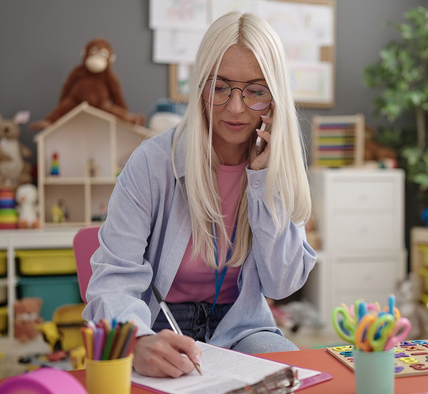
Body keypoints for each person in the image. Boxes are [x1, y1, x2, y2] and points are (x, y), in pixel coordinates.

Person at [82, 11, 317, 378]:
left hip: (242, 327)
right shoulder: (153, 162)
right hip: (158, 322)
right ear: (200, 87)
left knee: (294, 377)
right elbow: (114, 277)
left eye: (255, 91)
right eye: (220, 87)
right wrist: (137, 340)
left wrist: (261, 181)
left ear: (274, 97)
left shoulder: (276, 166)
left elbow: (282, 284)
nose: (236, 108)